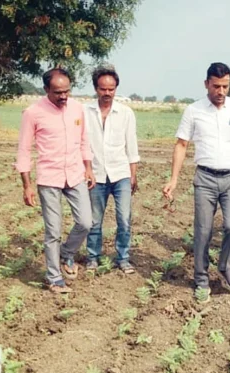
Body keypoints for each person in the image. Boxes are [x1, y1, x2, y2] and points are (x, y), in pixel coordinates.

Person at [163, 62, 230, 303]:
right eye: (216, 86)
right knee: (203, 231)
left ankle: (224, 266)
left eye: (225, 86)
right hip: (204, 178)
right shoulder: (193, 111)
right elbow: (181, 145)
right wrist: (173, 179)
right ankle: (201, 279)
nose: (221, 91)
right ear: (206, 84)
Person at [15, 68, 94, 293]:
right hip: (49, 177)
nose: (63, 96)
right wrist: (27, 185)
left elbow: (84, 140)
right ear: (46, 89)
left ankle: (67, 253)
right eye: (58, 92)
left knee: (86, 222)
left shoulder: (77, 108)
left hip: (75, 173)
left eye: (67, 91)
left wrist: (88, 168)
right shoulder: (32, 112)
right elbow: (23, 150)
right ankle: (54, 277)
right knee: (53, 231)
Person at [84, 64, 140, 275]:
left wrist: (133, 175)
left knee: (124, 218)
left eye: (111, 89)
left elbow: (131, 146)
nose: (107, 93)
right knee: (94, 220)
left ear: (116, 88)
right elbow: (81, 144)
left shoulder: (125, 113)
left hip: (121, 174)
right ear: (96, 88)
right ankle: (92, 257)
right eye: (102, 89)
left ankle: (123, 258)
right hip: (95, 174)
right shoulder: (85, 111)